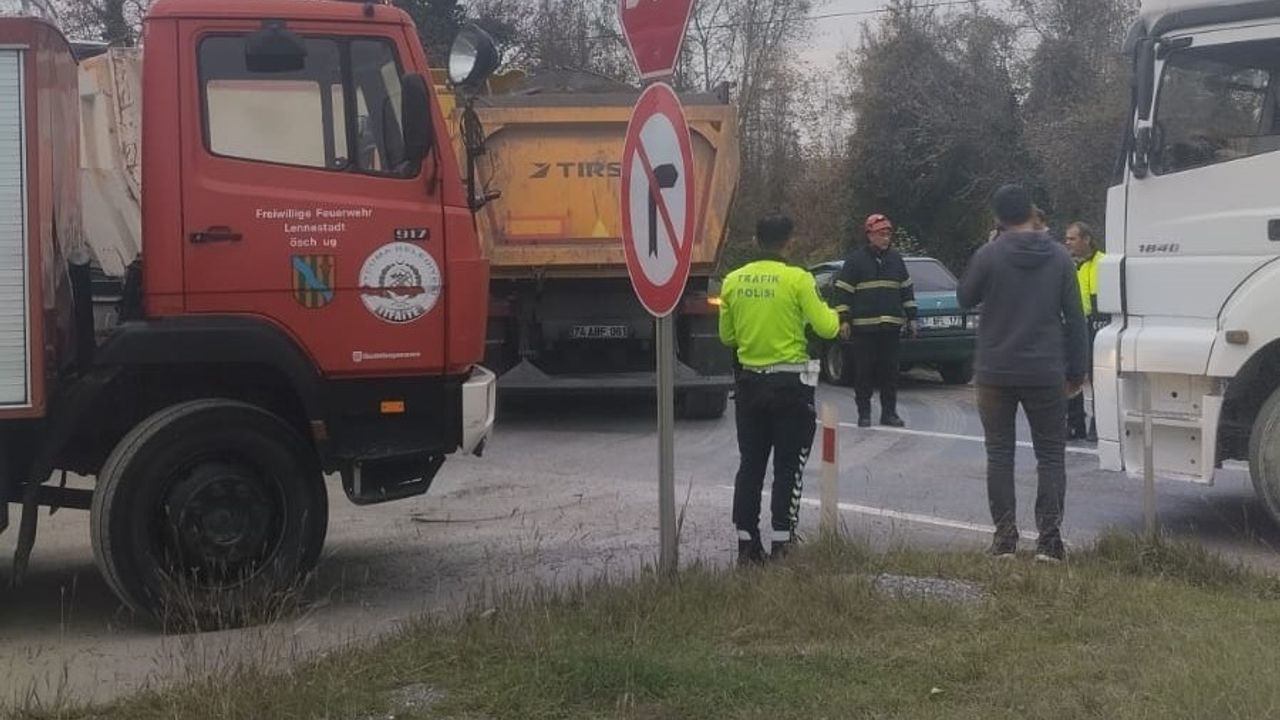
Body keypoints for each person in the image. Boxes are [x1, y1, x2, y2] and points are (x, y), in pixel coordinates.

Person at [958, 185, 1088, 563]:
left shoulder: (989, 254)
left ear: (998, 217)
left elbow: (965, 297)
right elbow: (1075, 318)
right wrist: (1077, 370)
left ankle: (1004, 540)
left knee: (999, 454)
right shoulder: (1060, 257)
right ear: (1031, 211)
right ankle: (1049, 542)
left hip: (995, 371)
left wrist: (987, 248)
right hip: (1045, 370)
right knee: (1051, 455)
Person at [719, 214, 840, 564]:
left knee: (751, 466)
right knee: (788, 467)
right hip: (790, 385)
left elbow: (727, 336)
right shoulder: (798, 279)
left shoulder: (733, 281)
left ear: (755, 241)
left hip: (750, 385)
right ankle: (783, 543)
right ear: (790, 242)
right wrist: (835, 317)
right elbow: (827, 328)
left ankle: (747, 545)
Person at [830, 214, 918, 428]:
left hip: (890, 328)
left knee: (890, 373)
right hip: (864, 329)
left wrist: (912, 318)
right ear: (869, 235)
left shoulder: (896, 260)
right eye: (881, 234)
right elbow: (843, 294)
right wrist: (844, 320)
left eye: (888, 234)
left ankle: (889, 413)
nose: (886, 238)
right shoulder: (855, 261)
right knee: (864, 373)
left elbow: (906, 290)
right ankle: (864, 414)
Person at [1064, 221, 1105, 441]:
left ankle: (1099, 423)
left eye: (1072, 238)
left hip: (1095, 325)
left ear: (1086, 239)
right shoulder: (1068, 264)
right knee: (1072, 373)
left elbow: (1101, 301)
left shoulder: (1101, 262)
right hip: (1073, 324)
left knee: (1098, 376)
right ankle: (1075, 423)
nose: (1068, 242)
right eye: (1067, 238)